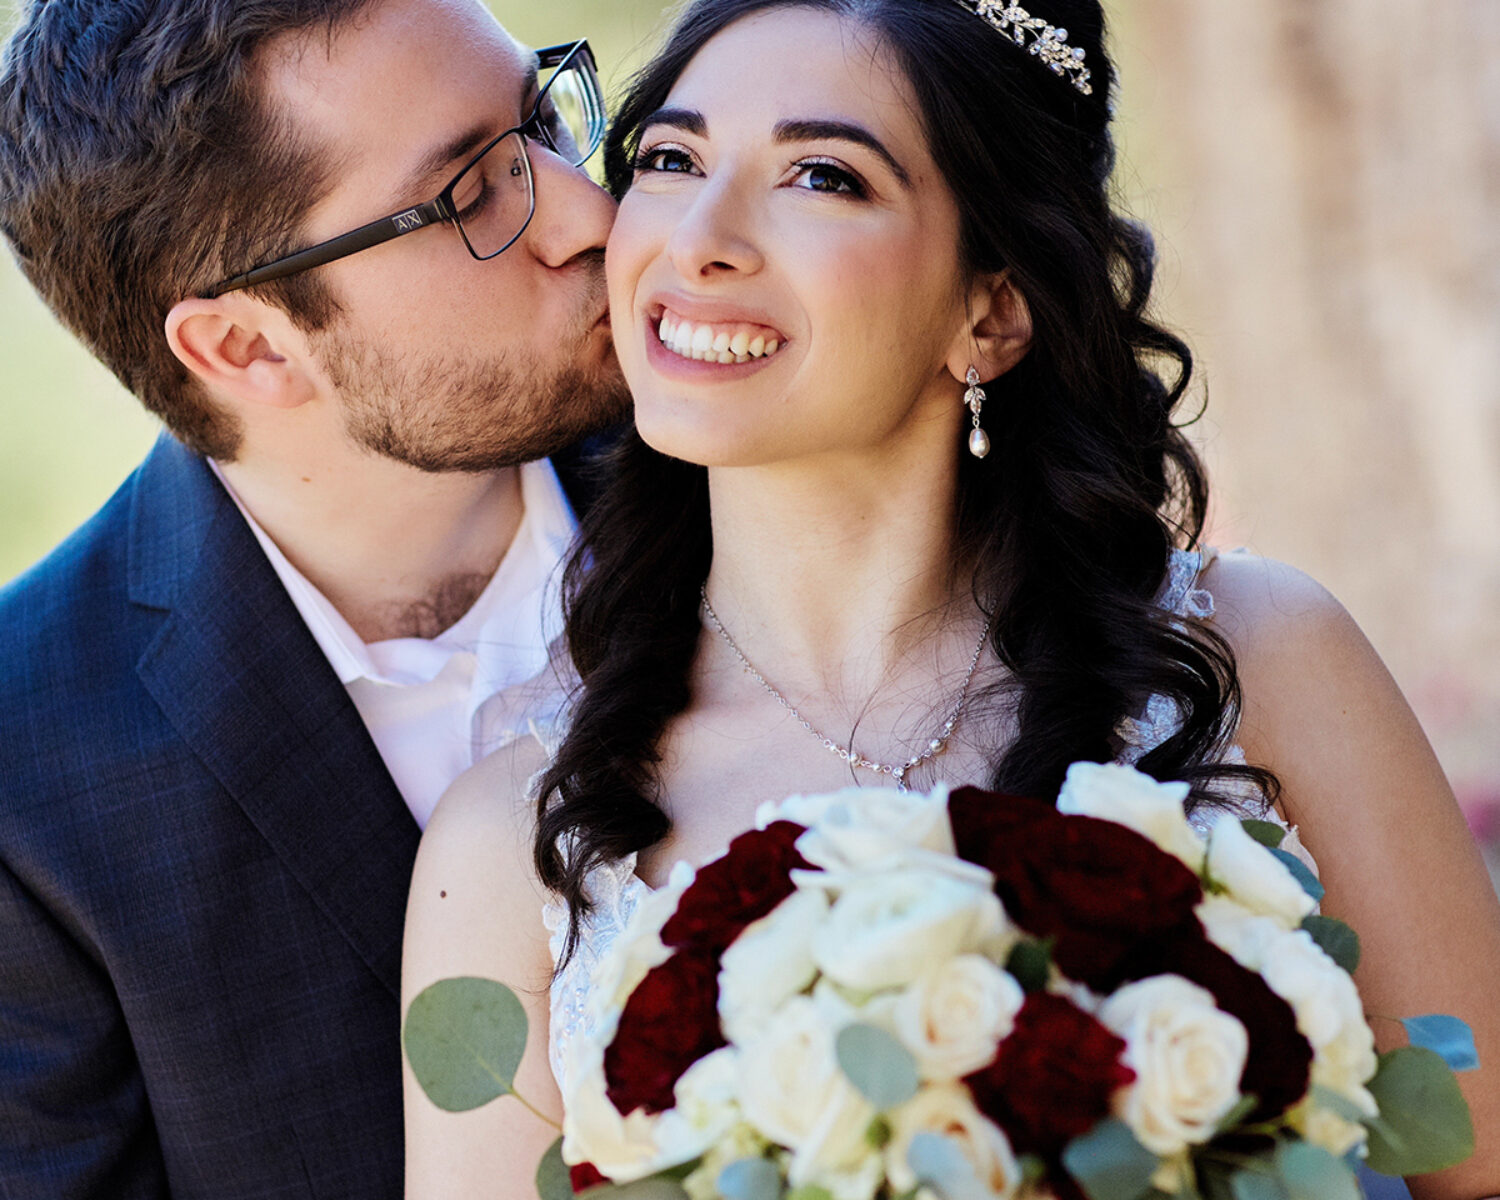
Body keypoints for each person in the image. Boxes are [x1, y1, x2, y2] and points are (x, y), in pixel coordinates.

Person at [402, 0, 1500, 1197]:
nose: (699, 238)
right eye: (671, 158)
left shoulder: (1266, 664)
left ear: (995, 310)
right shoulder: (518, 835)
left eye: (821, 176)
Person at [0, 0, 628, 1195]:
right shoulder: (26, 783)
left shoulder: (764, 476)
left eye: (541, 123)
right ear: (245, 350)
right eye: (472, 193)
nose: (590, 214)